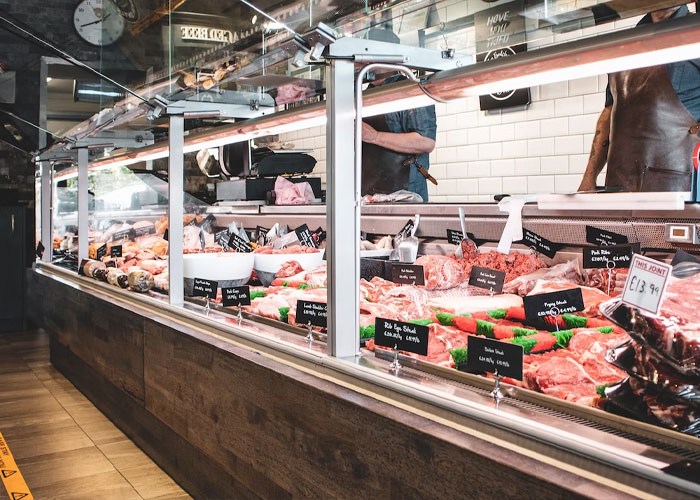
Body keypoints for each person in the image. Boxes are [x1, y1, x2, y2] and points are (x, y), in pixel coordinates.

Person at [578, 4, 700, 192]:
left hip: (673, 189)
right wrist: (589, 178)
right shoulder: (627, 44)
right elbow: (610, 113)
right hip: (618, 187)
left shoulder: (694, 33)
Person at [360, 28, 437, 201]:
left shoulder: (411, 90)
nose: (366, 58)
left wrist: (374, 136)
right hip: (367, 194)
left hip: (404, 194)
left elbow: (426, 142)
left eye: (370, 51)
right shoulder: (361, 95)